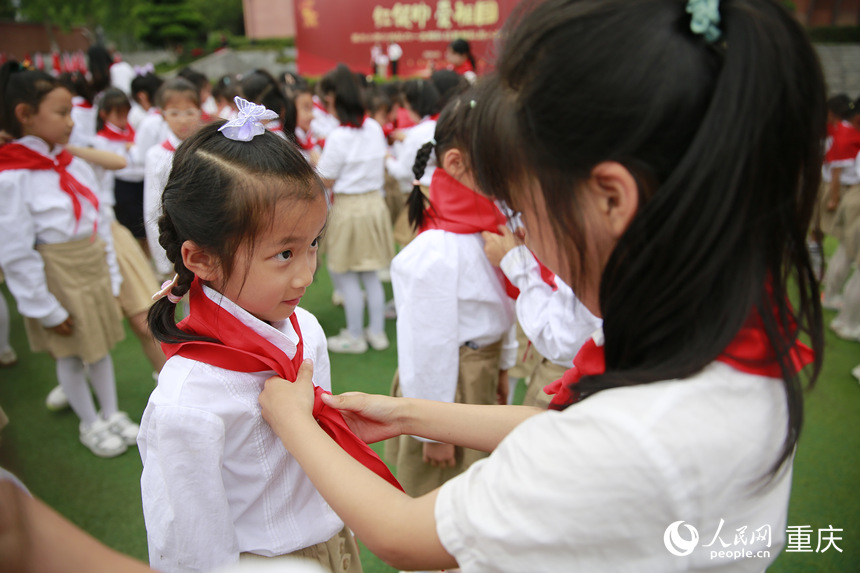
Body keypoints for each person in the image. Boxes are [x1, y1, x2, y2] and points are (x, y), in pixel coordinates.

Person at [258, 0, 824, 570]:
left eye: (526, 209)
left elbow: (403, 532)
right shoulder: (725, 341)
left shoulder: (634, 441)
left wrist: (293, 420)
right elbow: (568, 428)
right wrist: (408, 414)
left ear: (611, 199)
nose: (523, 233)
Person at [140, 109, 395, 572]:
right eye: (284, 253)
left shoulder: (305, 329)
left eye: (313, 243)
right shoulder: (188, 401)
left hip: (334, 536)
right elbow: (188, 547)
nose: (307, 273)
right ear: (201, 259)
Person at [0, 61, 139, 458]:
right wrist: (43, 307)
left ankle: (110, 413)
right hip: (57, 274)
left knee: (100, 346)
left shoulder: (72, 162)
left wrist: (111, 275)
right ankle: (90, 422)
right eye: (61, 113)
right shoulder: (12, 177)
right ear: (25, 114)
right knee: (73, 352)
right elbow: (15, 250)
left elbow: (97, 219)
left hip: (92, 265)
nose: (70, 122)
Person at [387, 94, 518, 497]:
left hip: (478, 372)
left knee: (480, 491)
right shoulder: (437, 250)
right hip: (448, 390)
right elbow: (427, 342)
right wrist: (433, 431)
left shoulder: (489, 228)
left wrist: (503, 364)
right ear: (457, 163)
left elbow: (501, 306)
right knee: (440, 499)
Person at [315, 64, 394, 354]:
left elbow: (325, 178)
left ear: (335, 99)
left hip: (349, 207)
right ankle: (376, 332)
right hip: (374, 204)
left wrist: (314, 162)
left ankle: (356, 336)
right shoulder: (373, 127)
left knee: (348, 274)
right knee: (370, 274)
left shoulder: (339, 136)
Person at [483, 224, 602, 408]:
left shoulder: (590, 249)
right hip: (567, 369)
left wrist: (516, 263)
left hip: (566, 373)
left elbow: (560, 339)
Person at [143, 77, 202, 278]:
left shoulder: (207, 149)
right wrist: (164, 261)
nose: (183, 120)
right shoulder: (156, 155)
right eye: (174, 113)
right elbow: (152, 209)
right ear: (163, 115)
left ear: (199, 112)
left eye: (189, 112)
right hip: (177, 238)